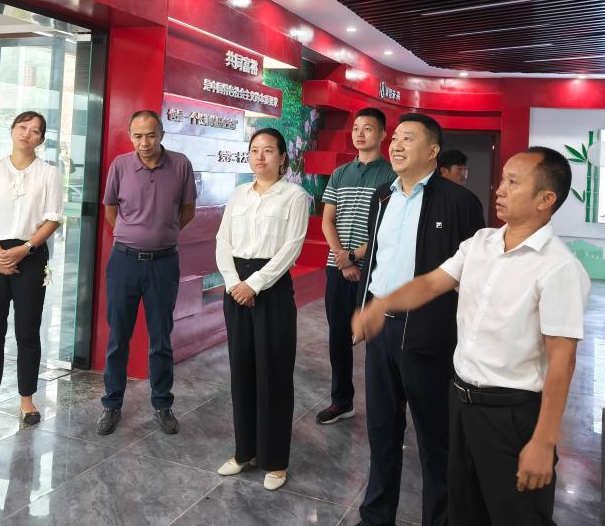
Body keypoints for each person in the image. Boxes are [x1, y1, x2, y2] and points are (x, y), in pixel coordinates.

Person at [353, 147, 591, 526]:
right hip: (461, 403)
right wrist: (380, 305)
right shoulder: (481, 242)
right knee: (464, 511)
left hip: (512, 415)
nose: (499, 188)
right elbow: (431, 283)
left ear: (546, 199)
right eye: (504, 179)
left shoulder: (559, 267)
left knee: (516, 516)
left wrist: (544, 441)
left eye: (513, 182)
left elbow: (563, 361)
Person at [355, 113, 485, 526]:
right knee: (381, 431)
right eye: (394, 138)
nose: (395, 145)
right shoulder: (383, 197)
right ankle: (376, 517)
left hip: (429, 334)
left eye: (407, 138)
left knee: (436, 441)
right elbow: (375, 261)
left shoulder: (460, 202)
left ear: (432, 151)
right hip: (381, 330)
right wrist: (364, 308)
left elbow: (472, 277)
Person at [215, 128, 309, 492]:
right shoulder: (239, 193)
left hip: (271, 288)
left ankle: (275, 461)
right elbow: (222, 240)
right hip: (235, 286)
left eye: (268, 150)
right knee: (242, 371)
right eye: (254, 150)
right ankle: (245, 452)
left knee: (274, 373)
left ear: (282, 157)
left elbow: (291, 248)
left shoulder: (295, 196)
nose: (260, 156)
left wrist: (253, 285)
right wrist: (233, 283)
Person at [97, 110, 196, 436]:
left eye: (150, 135)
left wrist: (162, 233)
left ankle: (162, 404)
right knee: (118, 338)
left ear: (161, 135)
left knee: (161, 338)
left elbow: (188, 210)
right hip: (123, 262)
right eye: (138, 136)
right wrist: (132, 235)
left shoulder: (180, 165)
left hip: (163, 264)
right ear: (131, 136)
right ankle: (111, 404)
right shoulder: (120, 166)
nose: (144, 142)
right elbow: (111, 210)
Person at [0, 111, 62, 428]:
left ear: (41, 139)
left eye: (35, 131)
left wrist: (25, 249)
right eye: (22, 127)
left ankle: (27, 400)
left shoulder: (48, 173)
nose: (27, 134)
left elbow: (53, 219)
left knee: (28, 330)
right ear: (12, 130)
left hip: (32, 255)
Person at [317, 108, 395, 425]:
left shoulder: (392, 175)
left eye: (368, 128)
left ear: (383, 134)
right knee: (338, 337)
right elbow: (327, 220)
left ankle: (383, 408)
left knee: (378, 341)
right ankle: (341, 401)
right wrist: (342, 257)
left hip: (373, 270)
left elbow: (388, 227)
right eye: (356, 128)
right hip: (338, 267)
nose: (360, 134)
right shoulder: (340, 174)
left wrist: (354, 256)